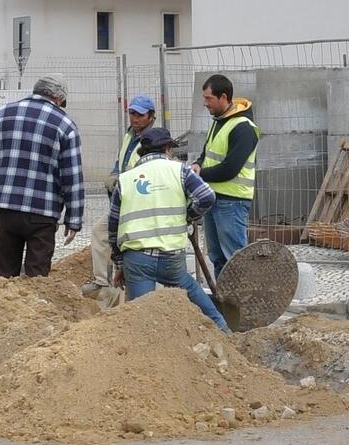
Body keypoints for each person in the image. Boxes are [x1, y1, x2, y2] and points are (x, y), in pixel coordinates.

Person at [107, 126, 227, 330]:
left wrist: (120, 264)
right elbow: (207, 196)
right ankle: (224, 332)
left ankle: (145, 355)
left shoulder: (126, 179)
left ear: (142, 152)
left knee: (142, 319)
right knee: (195, 297)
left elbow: (113, 226)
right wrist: (188, 216)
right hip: (172, 258)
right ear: (168, 149)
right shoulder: (180, 170)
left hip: (137, 260)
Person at [0, 75, 86, 277]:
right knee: (38, 278)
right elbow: (72, 177)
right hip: (43, 213)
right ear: (59, 99)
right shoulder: (65, 125)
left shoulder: (2, 115)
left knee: (5, 276)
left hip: (7, 209)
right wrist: (74, 219)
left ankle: (4, 307)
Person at [195, 74, 258, 278]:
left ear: (223, 97)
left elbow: (230, 169)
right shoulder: (218, 121)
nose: (205, 104)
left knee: (235, 259)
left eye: (208, 99)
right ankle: (225, 303)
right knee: (218, 257)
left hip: (232, 202)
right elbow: (207, 153)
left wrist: (200, 174)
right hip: (214, 198)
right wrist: (197, 163)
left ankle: (243, 304)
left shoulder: (243, 127)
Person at [112, 94, 158, 176]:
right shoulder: (129, 135)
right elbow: (120, 160)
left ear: (151, 117)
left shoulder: (153, 141)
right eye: (132, 113)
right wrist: (114, 174)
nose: (135, 119)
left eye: (140, 115)